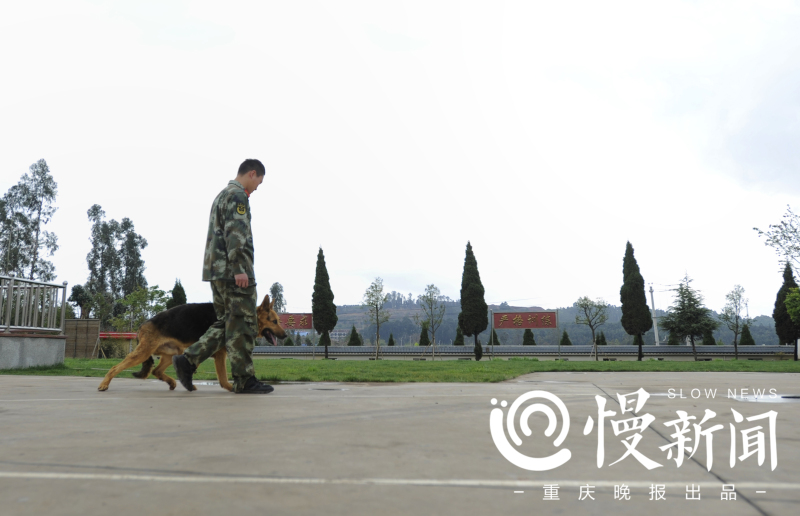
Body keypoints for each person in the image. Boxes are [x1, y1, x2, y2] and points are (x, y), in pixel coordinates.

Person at [172, 159, 274, 394]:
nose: (258, 187)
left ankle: (187, 361)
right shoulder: (238, 196)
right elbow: (235, 234)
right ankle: (245, 379)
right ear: (252, 173)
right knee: (244, 325)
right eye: (259, 181)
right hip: (233, 273)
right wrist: (240, 268)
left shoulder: (221, 195)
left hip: (217, 271)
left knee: (227, 324)